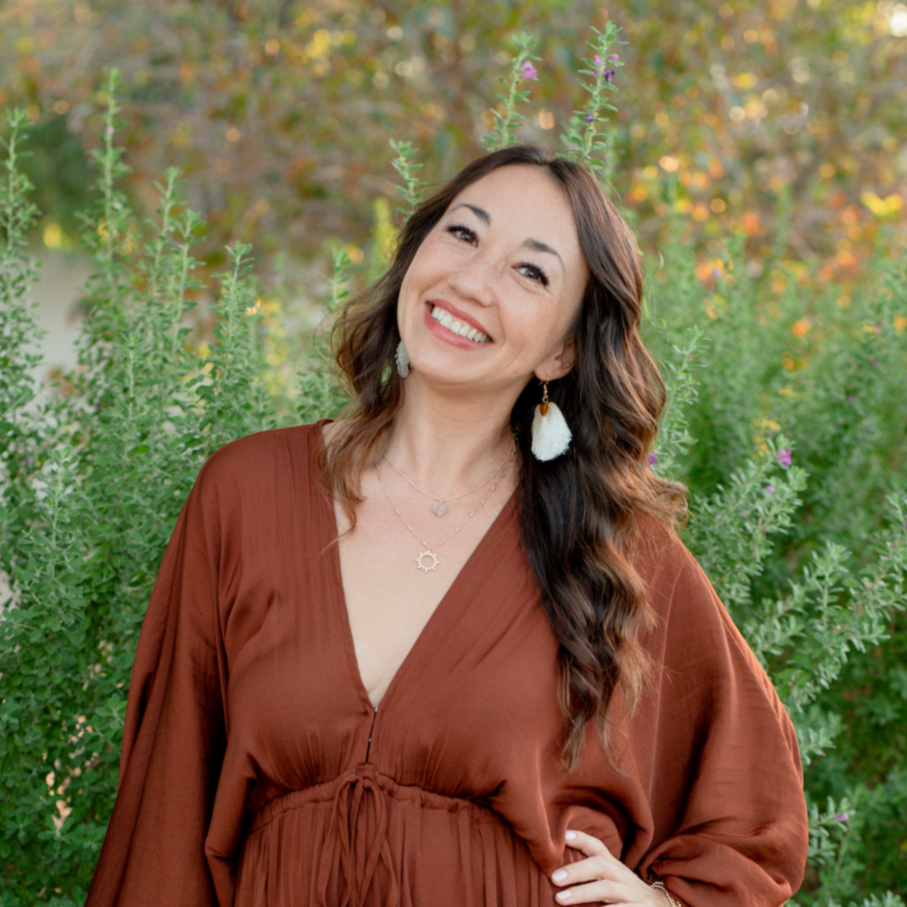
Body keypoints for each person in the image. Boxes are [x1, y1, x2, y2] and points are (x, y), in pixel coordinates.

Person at [85, 144, 808, 907]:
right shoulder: (245, 493)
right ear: (415, 255)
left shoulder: (611, 549)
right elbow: (167, 798)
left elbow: (753, 799)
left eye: (529, 271)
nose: (470, 281)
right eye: (462, 235)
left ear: (561, 348)